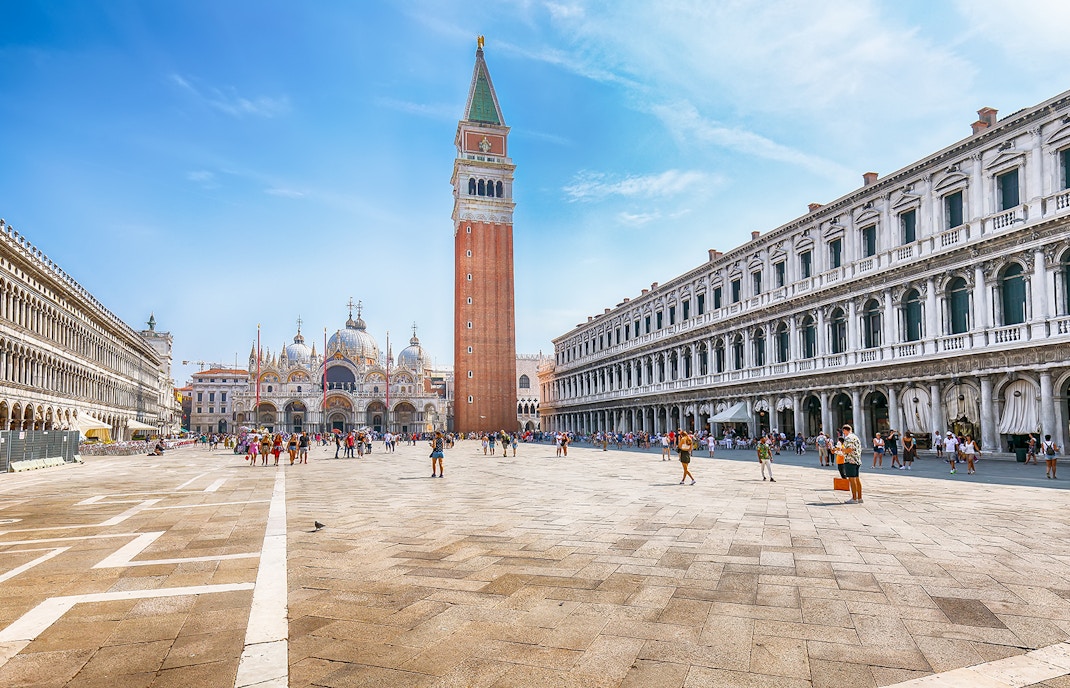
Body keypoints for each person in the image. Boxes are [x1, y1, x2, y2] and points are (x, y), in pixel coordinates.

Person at [842, 424, 863, 503]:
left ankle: (854, 498)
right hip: (857, 460)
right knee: (857, 478)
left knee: (852, 479)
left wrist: (842, 450)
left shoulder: (848, 438)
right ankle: (860, 497)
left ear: (845, 430)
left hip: (850, 460)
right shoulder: (856, 437)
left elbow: (849, 449)